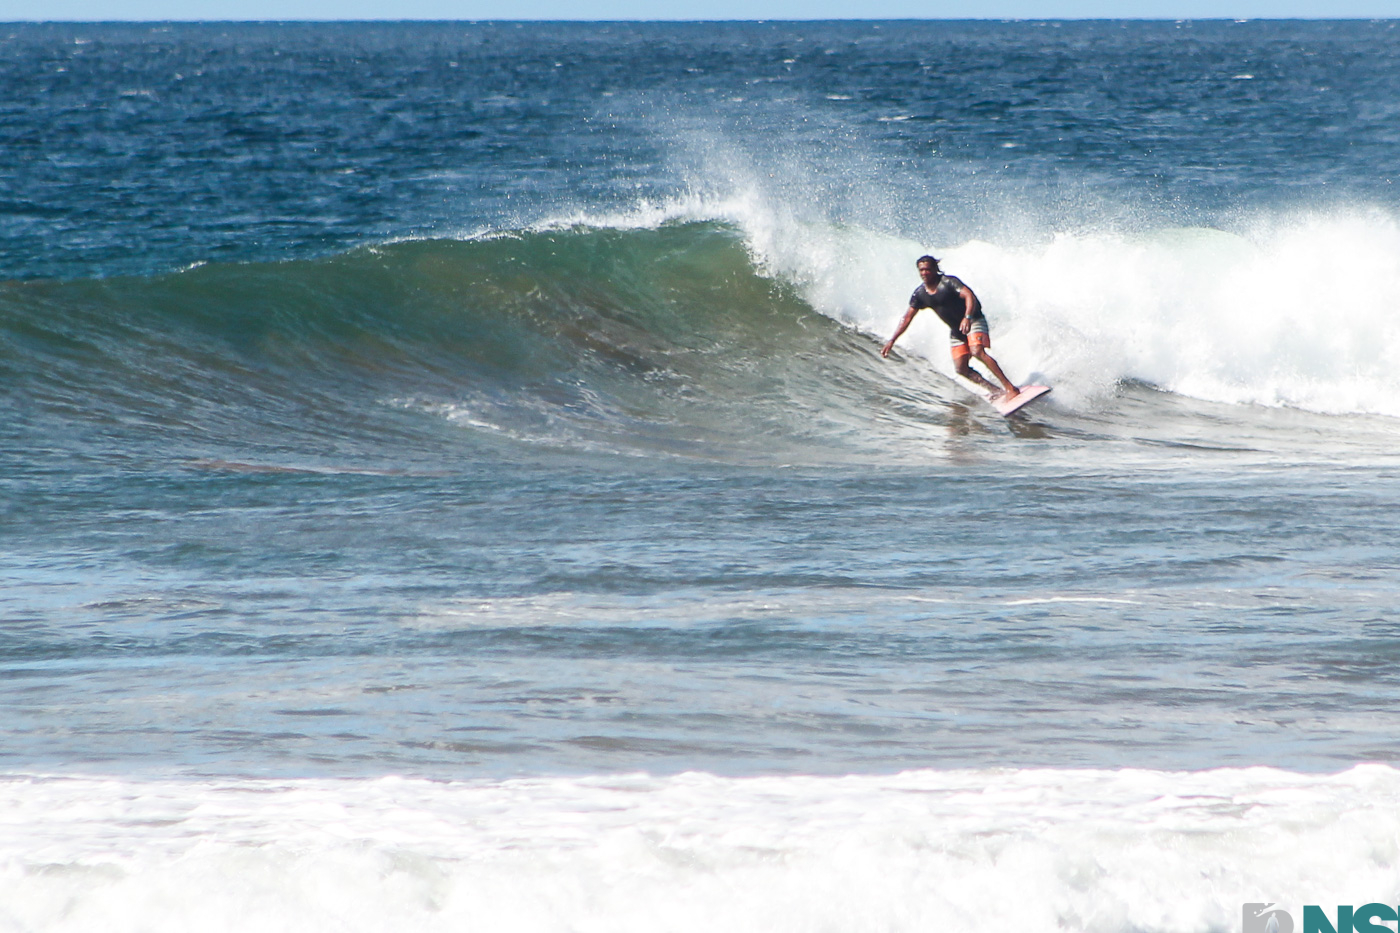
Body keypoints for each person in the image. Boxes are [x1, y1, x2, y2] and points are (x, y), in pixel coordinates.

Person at [881, 255, 1019, 399]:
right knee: (961, 369)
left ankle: (1010, 389)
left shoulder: (949, 282)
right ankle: (996, 391)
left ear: (935, 269)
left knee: (977, 351)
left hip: (973, 320)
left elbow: (969, 296)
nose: (924, 273)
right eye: (921, 270)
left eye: (928, 269)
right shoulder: (920, 294)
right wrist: (892, 340)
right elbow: (907, 317)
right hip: (956, 331)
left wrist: (967, 317)